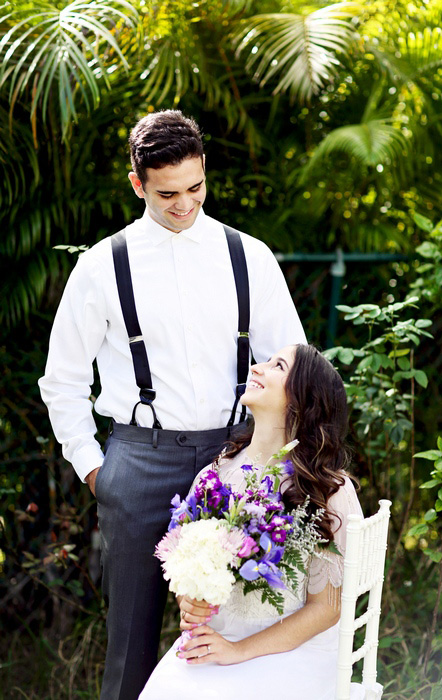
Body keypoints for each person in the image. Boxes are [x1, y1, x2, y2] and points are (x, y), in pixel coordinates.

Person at [38, 109, 306, 700]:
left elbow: (295, 362)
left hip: (236, 460)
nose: (184, 204)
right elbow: (61, 380)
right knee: (130, 644)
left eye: (194, 188)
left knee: (238, 632)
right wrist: (95, 469)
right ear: (137, 183)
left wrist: (277, 457)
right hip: (136, 461)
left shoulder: (249, 258)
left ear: (205, 170)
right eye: (167, 194)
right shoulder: (102, 267)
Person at [139, 343, 368, 700]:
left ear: (302, 399)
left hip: (294, 651)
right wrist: (191, 601)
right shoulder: (215, 474)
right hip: (218, 638)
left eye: (277, 365)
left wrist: (239, 652)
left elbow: (326, 609)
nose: (257, 367)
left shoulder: (327, 490)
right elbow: (188, 566)